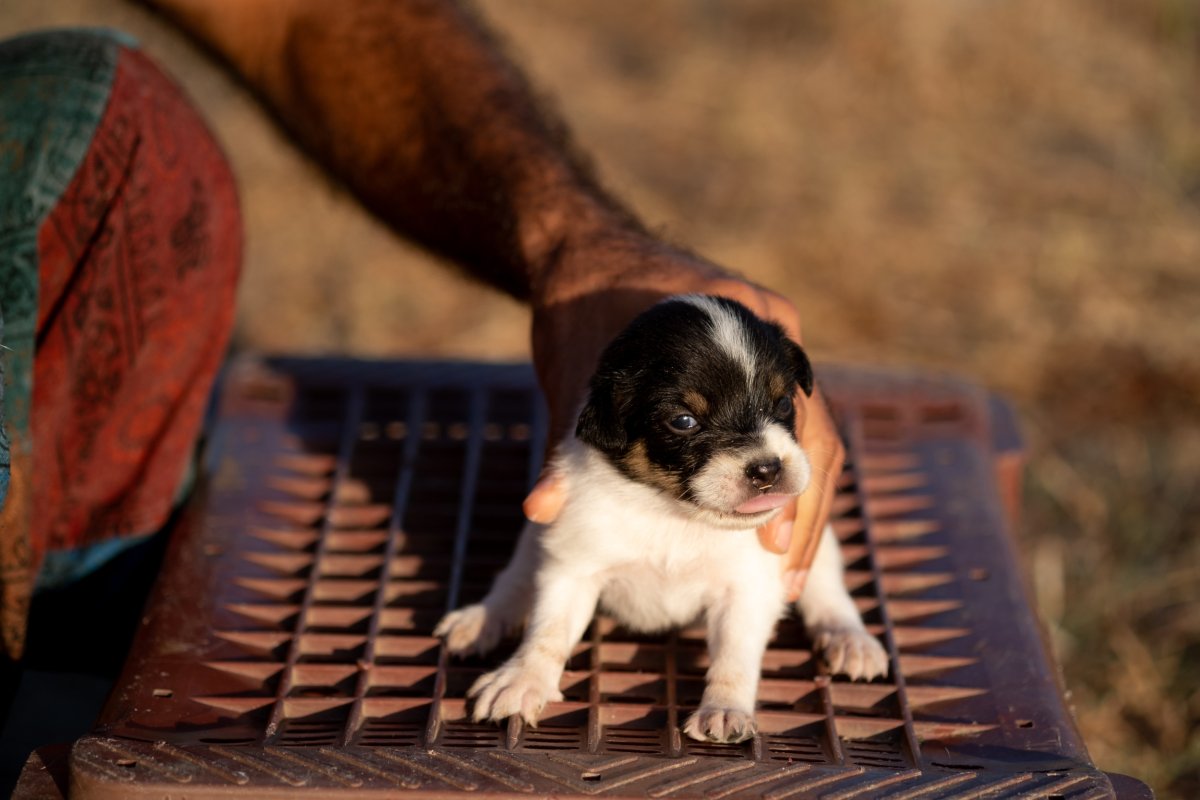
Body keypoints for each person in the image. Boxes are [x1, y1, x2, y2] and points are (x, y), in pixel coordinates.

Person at [0, 0, 843, 695]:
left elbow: (297, 18)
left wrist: (566, 240)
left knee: (104, 92)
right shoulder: (603, 463)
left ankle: (78, 621)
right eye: (690, 423)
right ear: (610, 415)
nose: (768, 447)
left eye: (778, 407)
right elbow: (564, 556)